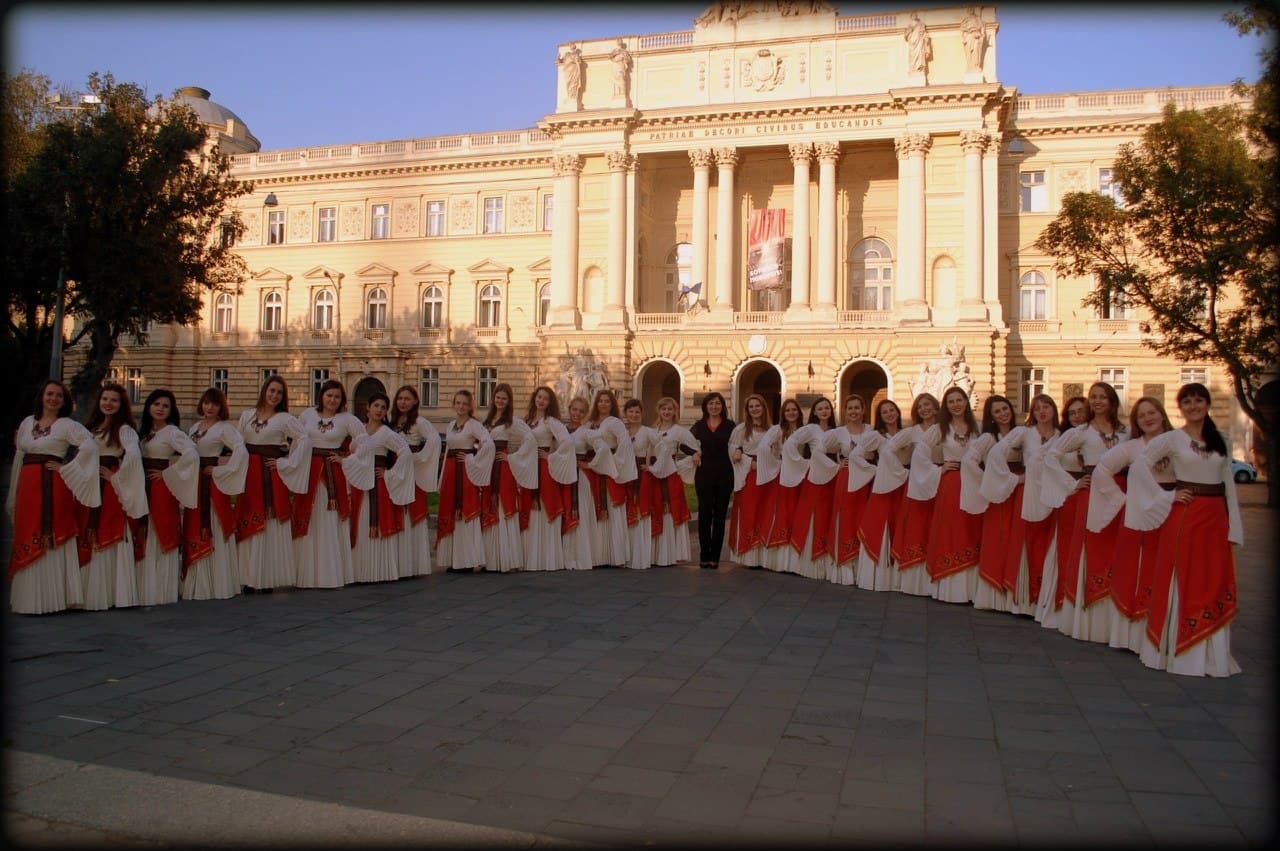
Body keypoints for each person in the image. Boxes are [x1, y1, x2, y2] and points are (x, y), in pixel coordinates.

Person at [1130, 383, 1241, 677]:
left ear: (1207, 404)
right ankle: (1178, 652)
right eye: (1187, 401)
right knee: (1183, 575)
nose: (1193, 406)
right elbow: (1140, 466)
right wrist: (1166, 496)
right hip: (1185, 515)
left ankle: (1212, 655)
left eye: (1198, 400)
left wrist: (1234, 526)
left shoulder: (1222, 440)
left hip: (1215, 518)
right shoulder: (1171, 439)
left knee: (1212, 577)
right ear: (1180, 407)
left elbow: (1228, 483)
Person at [1041, 382, 1129, 643]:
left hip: (1122, 495)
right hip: (1093, 496)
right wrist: (1072, 484)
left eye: (1103, 396)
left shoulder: (1127, 432)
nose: (1098, 401)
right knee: (1092, 551)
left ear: (1112, 400)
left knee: (1118, 552)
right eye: (1094, 397)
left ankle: (1117, 619)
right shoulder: (1082, 432)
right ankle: (1089, 619)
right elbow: (1051, 457)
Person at [1087, 396, 1176, 653]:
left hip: (1171, 513)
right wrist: (1120, 498)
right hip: (1140, 516)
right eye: (1141, 415)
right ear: (1136, 422)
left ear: (1162, 414)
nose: (1148, 418)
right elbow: (1102, 470)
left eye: (1152, 412)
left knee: (1166, 569)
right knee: (1136, 569)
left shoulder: (1177, 443)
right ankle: (1134, 635)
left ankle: (1163, 630)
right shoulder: (1132, 447)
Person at [7, 379, 99, 614]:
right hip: (28, 486)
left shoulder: (67, 425)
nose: (53, 398)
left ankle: (54, 598)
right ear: (41, 396)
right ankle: (28, 600)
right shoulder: (27, 422)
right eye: (50, 394)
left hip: (54, 485)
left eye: (59, 395)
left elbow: (90, 446)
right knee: (28, 529)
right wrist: (14, 491)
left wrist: (67, 468)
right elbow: (19, 456)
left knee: (53, 533)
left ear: (64, 401)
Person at [979, 394, 1060, 617]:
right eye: (1037, 408)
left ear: (1054, 409)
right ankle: (1024, 599)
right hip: (1029, 493)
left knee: (1046, 543)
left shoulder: (1062, 435)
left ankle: (1044, 597)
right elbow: (996, 453)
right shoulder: (1025, 433)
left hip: (1052, 494)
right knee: (1026, 542)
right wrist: (1016, 479)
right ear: (1032, 413)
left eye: (1046, 406)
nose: (1042, 411)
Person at [236, 375, 310, 592]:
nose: (274, 395)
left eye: (279, 392)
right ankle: (247, 576)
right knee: (248, 517)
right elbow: (238, 443)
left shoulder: (285, 419)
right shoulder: (247, 415)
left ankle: (266, 577)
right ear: (264, 390)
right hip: (249, 475)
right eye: (271, 390)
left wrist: (286, 462)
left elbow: (304, 439)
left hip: (271, 474)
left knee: (270, 522)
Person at [77, 383, 145, 610]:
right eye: (105, 399)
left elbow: (133, 454)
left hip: (109, 487)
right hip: (90, 486)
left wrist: (115, 476)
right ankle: (87, 593)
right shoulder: (92, 428)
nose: (108, 403)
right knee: (88, 529)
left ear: (121, 404)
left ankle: (112, 593)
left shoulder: (124, 430)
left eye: (113, 400)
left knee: (109, 527)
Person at [293, 380, 363, 589]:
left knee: (329, 520)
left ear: (342, 399)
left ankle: (330, 575)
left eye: (337, 396)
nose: (332, 400)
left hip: (332, 475)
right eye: (329, 395)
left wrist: (347, 459)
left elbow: (365, 442)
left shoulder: (347, 419)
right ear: (321, 395)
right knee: (309, 517)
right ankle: (305, 575)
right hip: (309, 473)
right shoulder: (307, 415)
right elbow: (296, 441)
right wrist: (293, 464)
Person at [135, 389, 199, 607]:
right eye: (157, 404)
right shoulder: (144, 432)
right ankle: (142, 587)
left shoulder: (172, 432)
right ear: (149, 406)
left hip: (161, 486)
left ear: (171, 410)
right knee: (143, 530)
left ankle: (161, 590)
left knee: (159, 530)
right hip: (143, 485)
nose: (160, 409)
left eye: (165, 406)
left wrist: (168, 473)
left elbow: (191, 454)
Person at [343, 391, 415, 582]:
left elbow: (405, 452)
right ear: (368, 407)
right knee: (359, 519)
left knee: (374, 520)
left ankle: (379, 571)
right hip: (360, 483)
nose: (379, 410)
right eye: (376, 406)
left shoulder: (386, 433)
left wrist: (389, 473)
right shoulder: (360, 430)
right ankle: (359, 571)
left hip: (377, 483)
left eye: (383, 407)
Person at [182, 387, 246, 601]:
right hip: (195, 482)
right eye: (207, 403)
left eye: (215, 404)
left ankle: (218, 582)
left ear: (221, 407)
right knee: (194, 523)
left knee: (214, 523)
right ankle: (197, 583)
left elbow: (241, 449)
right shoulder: (194, 427)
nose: (209, 407)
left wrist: (223, 470)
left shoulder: (224, 429)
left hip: (212, 483)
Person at [922, 386, 983, 605]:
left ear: (966, 401)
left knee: (972, 529)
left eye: (959, 400)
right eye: (951, 401)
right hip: (951, 484)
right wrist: (937, 469)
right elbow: (920, 451)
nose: (956, 404)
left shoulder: (978, 428)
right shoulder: (940, 428)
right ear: (945, 406)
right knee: (952, 530)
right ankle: (950, 587)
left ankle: (971, 589)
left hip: (973, 483)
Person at [1035, 395, 1089, 626]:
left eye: (1080, 411)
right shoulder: (1061, 438)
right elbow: (1042, 462)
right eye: (1072, 413)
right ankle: (1059, 603)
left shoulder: (1094, 436)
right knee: (1065, 547)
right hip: (1069, 496)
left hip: (1092, 497)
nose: (1076, 416)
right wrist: (1070, 484)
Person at [516, 387, 577, 572]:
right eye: (539, 397)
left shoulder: (551, 421)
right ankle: (529, 558)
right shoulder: (526, 421)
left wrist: (551, 456)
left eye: (546, 398)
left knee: (544, 506)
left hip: (544, 468)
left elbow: (567, 442)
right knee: (528, 507)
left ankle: (547, 559)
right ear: (534, 398)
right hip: (528, 467)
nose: (541, 401)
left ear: (550, 403)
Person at [966, 395, 1018, 612]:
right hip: (998, 497)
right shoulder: (988, 438)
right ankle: (993, 595)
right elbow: (969, 460)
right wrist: (987, 482)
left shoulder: (1021, 433)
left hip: (1018, 494)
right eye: (997, 411)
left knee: (1015, 542)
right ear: (991, 417)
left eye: (1005, 408)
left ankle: (1012, 593)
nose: (1003, 414)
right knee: (997, 539)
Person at [780, 397, 839, 581]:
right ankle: (809, 564)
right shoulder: (811, 429)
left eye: (827, 408)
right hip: (815, 478)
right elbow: (790, 444)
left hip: (834, 477)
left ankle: (827, 564)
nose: (824, 411)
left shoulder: (836, 430)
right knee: (813, 515)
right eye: (820, 408)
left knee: (828, 515)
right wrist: (803, 463)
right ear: (814, 412)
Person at [435, 389, 494, 572]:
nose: (461, 406)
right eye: (458, 403)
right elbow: (447, 451)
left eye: (465, 404)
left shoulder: (473, 425)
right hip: (451, 471)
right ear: (454, 404)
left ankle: (467, 561)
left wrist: (472, 459)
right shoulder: (450, 425)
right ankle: (454, 560)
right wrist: (441, 479)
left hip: (465, 473)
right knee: (450, 510)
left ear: (470, 407)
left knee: (466, 511)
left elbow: (488, 443)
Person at [825, 395, 881, 586]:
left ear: (864, 410)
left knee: (865, 518)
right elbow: (818, 450)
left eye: (857, 408)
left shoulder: (872, 431)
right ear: (845, 411)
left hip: (869, 479)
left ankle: (864, 568)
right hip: (847, 478)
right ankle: (846, 568)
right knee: (847, 518)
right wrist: (835, 466)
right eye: (850, 408)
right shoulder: (838, 432)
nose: (854, 411)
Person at [480, 383, 535, 573]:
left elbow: (530, 439)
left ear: (509, 401)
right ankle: (490, 560)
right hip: (488, 467)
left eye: (504, 398)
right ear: (493, 398)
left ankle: (506, 559)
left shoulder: (513, 422)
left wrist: (512, 457)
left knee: (504, 505)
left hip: (503, 468)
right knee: (489, 504)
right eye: (498, 397)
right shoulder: (486, 420)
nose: (500, 401)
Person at [854, 399, 907, 592]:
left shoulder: (906, 433)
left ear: (898, 412)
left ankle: (900, 579)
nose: (889, 414)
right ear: (880, 416)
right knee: (881, 527)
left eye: (892, 410)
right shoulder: (876, 436)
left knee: (900, 526)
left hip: (905, 486)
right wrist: (875, 470)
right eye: (885, 412)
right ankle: (879, 578)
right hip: (884, 488)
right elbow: (855, 455)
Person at [389, 384, 441, 578]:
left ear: (415, 401)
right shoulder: (391, 421)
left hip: (410, 471)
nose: (403, 402)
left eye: (407, 399)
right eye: (400, 398)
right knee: (395, 511)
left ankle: (412, 565)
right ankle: (397, 562)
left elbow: (435, 439)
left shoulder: (419, 422)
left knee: (410, 512)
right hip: (394, 469)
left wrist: (418, 458)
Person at [890, 393, 940, 596]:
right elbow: (889, 449)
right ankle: (915, 579)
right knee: (917, 528)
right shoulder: (912, 432)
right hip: (918, 485)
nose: (924, 409)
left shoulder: (945, 429)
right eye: (920, 407)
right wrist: (902, 471)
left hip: (940, 481)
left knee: (936, 527)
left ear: (936, 407)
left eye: (927, 405)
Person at [647, 396, 701, 568]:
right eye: (663, 409)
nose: (666, 412)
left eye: (670, 409)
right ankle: (654, 554)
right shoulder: (652, 430)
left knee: (669, 509)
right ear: (659, 410)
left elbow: (693, 449)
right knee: (655, 508)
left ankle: (669, 553)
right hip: (654, 475)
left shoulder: (679, 431)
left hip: (670, 475)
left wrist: (686, 461)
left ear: (675, 411)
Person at [585, 389, 637, 568]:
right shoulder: (590, 423)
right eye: (600, 401)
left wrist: (613, 463)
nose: (603, 404)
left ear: (612, 404)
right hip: (593, 470)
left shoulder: (615, 422)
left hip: (610, 470)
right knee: (595, 507)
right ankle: (598, 556)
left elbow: (624, 443)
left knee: (613, 509)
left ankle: (616, 556)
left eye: (607, 401)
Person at [727, 394, 780, 569]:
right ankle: (750, 556)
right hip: (749, 475)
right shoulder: (741, 429)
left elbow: (777, 453)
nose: (755, 409)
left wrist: (767, 464)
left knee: (767, 512)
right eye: (751, 406)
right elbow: (733, 450)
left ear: (764, 408)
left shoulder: (773, 430)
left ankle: (765, 557)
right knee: (750, 512)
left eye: (758, 406)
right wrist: (748, 461)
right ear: (747, 410)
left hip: (769, 477)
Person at [564, 396, 610, 571]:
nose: (577, 413)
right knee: (567, 511)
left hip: (581, 478)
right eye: (574, 409)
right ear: (569, 409)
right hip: (565, 477)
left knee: (580, 512)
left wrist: (589, 465)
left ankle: (581, 557)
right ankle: (566, 557)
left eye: (582, 411)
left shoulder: (586, 431)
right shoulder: (561, 429)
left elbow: (603, 448)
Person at [689, 391, 734, 569]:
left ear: (722, 406)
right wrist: (694, 453)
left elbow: (740, 443)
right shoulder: (699, 426)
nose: (714, 406)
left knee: (720, 516)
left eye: (717, 403)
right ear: (705, 407)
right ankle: (704, 555)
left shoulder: (730, 426)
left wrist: (738, 451)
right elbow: (684, 443)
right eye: (711, 403)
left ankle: (715, 556)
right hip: (704, 474)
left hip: (725, 474)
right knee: (705, 514)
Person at [762, 398, 804, 572]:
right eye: (787, 410)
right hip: (783, 476)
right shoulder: (777, 430)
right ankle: (781, 560)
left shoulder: (805, 430)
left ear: (799, 412)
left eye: (794, 409)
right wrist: (775, 464)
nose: (791, 413)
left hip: (801, 477)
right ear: (783, 413)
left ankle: (797, 561)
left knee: (798, 514)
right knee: (783, 513)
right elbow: (763, 447)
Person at [621, 398, 657, 570]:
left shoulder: (648, 432)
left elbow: (664, 447)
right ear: (625, 413)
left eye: (637, 412)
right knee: (626, 510)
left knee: (640, 511)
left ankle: (640, 557)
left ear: (642, 414)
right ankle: (626, 555)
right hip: (624, 476)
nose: (634, 415)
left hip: (641, 476)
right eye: (631, 411)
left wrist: (652, 466)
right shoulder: (622, 432)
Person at [961, 7, 986, 73]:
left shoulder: (978, 19)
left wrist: (982, 35)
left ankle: (976, 66)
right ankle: (970, 66)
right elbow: (962, 29)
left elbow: (982, 27)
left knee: (976, 50)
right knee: (969, 52)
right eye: (969, 9)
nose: (970, 11)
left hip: (976, 35)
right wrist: (964, 37)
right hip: (969, 36)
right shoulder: (966, 20)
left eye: (971, 9)